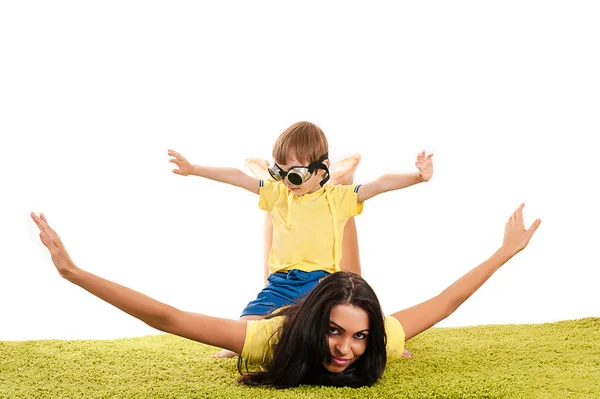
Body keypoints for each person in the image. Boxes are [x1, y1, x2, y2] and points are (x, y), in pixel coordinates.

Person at [30, 203, 541, 388]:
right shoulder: (272, 339)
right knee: (285, 280)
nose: (346, 350)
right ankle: (284, 211)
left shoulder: (374, 332)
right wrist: (72, 272)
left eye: (359, 338)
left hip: (334, 290)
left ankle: (341, 200)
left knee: (353, 280)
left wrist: (506, 252)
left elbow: (446, 301)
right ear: (316, 325)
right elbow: (169, 316)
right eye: (337, 333)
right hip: (279, 304)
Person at [167, 121, 433, 357]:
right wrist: (194, 169)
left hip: (322, 284)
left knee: (349, 324)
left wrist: (418, 177)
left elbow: (380, 184)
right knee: (245, 334)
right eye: (279, 173)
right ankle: (263, 169)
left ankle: (383, 340)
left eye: (294, 175)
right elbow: (236, 177)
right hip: (281, 283)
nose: (287, 182)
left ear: (321, 169)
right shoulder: (278, 194)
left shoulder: (338, 199)